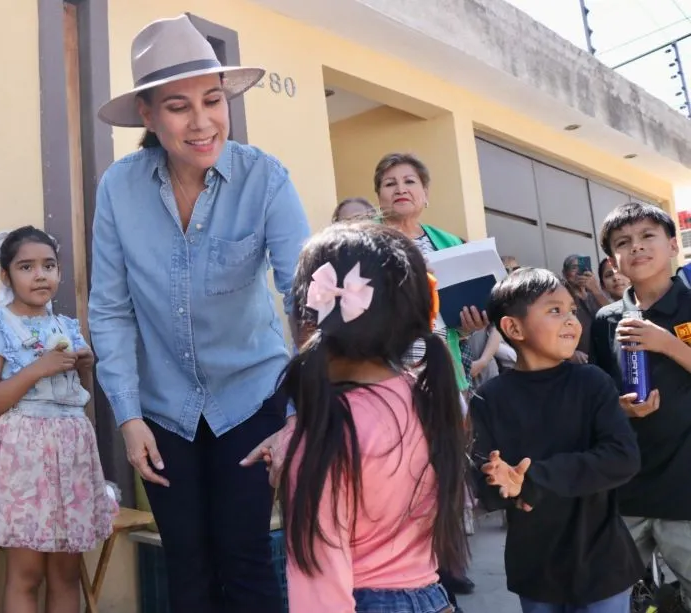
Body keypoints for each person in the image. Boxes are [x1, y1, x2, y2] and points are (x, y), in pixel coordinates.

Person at [89, 15, 311, 613]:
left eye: (213, 101)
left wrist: (298, 415)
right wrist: (128, 416)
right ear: (147, 114)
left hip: (252, 397)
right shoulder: (119, 188)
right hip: (163, 409)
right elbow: (110, 309)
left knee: (247, 558)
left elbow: (306, 299)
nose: (202, 121)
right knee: (185, 565)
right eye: (178, 107)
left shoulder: (266, 179)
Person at [252, 223, 468, 613]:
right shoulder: (426, 398)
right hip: (434, 598)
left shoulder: (327, 435)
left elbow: (319, 580)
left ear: (309, 318)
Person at [471, 267, 642, 613]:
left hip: (601, 563)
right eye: (554, 310)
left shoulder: (592, 383)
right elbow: (486, 485)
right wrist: (499, 481)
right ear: (513, 328)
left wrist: (532, 479)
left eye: (572, 311)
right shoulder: (489, 399)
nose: (571, 321)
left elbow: (622, 457)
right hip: (537, 570)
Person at [0, 226, 116, 612]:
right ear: (6, 276)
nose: (40, 275)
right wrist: (37, 369)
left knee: (66, 573)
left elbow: (75, 397)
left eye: (49, 266)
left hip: (70, 456)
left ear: (59, 272)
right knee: (26, 573)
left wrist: (84, 368)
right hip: (23, 460)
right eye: (26, 267)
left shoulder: (67, 327)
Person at [374, 151, 483, 597]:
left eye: (409, 181)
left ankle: (448, 563)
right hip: (384, 375)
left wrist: (471, 322)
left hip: (441, 372)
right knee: (398, 471)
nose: (400, 189)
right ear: (379, 196)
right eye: (390, 183)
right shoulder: (367, 243)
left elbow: (459, 318)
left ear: (425, 194)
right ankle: (403, 563)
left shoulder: (449, 243)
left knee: (446, 469)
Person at [590, 202, 691, 611]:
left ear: (673, 245)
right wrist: (620, 408)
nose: (636, 247)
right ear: (612, 260)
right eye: (623, 242)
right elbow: (599, 395)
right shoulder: (605, 319)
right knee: (610, 593)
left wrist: (668, 344)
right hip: (627, 489)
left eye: (648, 236)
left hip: (685, 489)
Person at [562, 254, 610, 363]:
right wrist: (571, 353)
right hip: (581, 360)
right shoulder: (563, 298)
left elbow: (614, 315)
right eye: (574, 268)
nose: (579, 272)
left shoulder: (596, 295)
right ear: (565, 273)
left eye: (581, 268)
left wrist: (595, 289)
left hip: (604, 357)